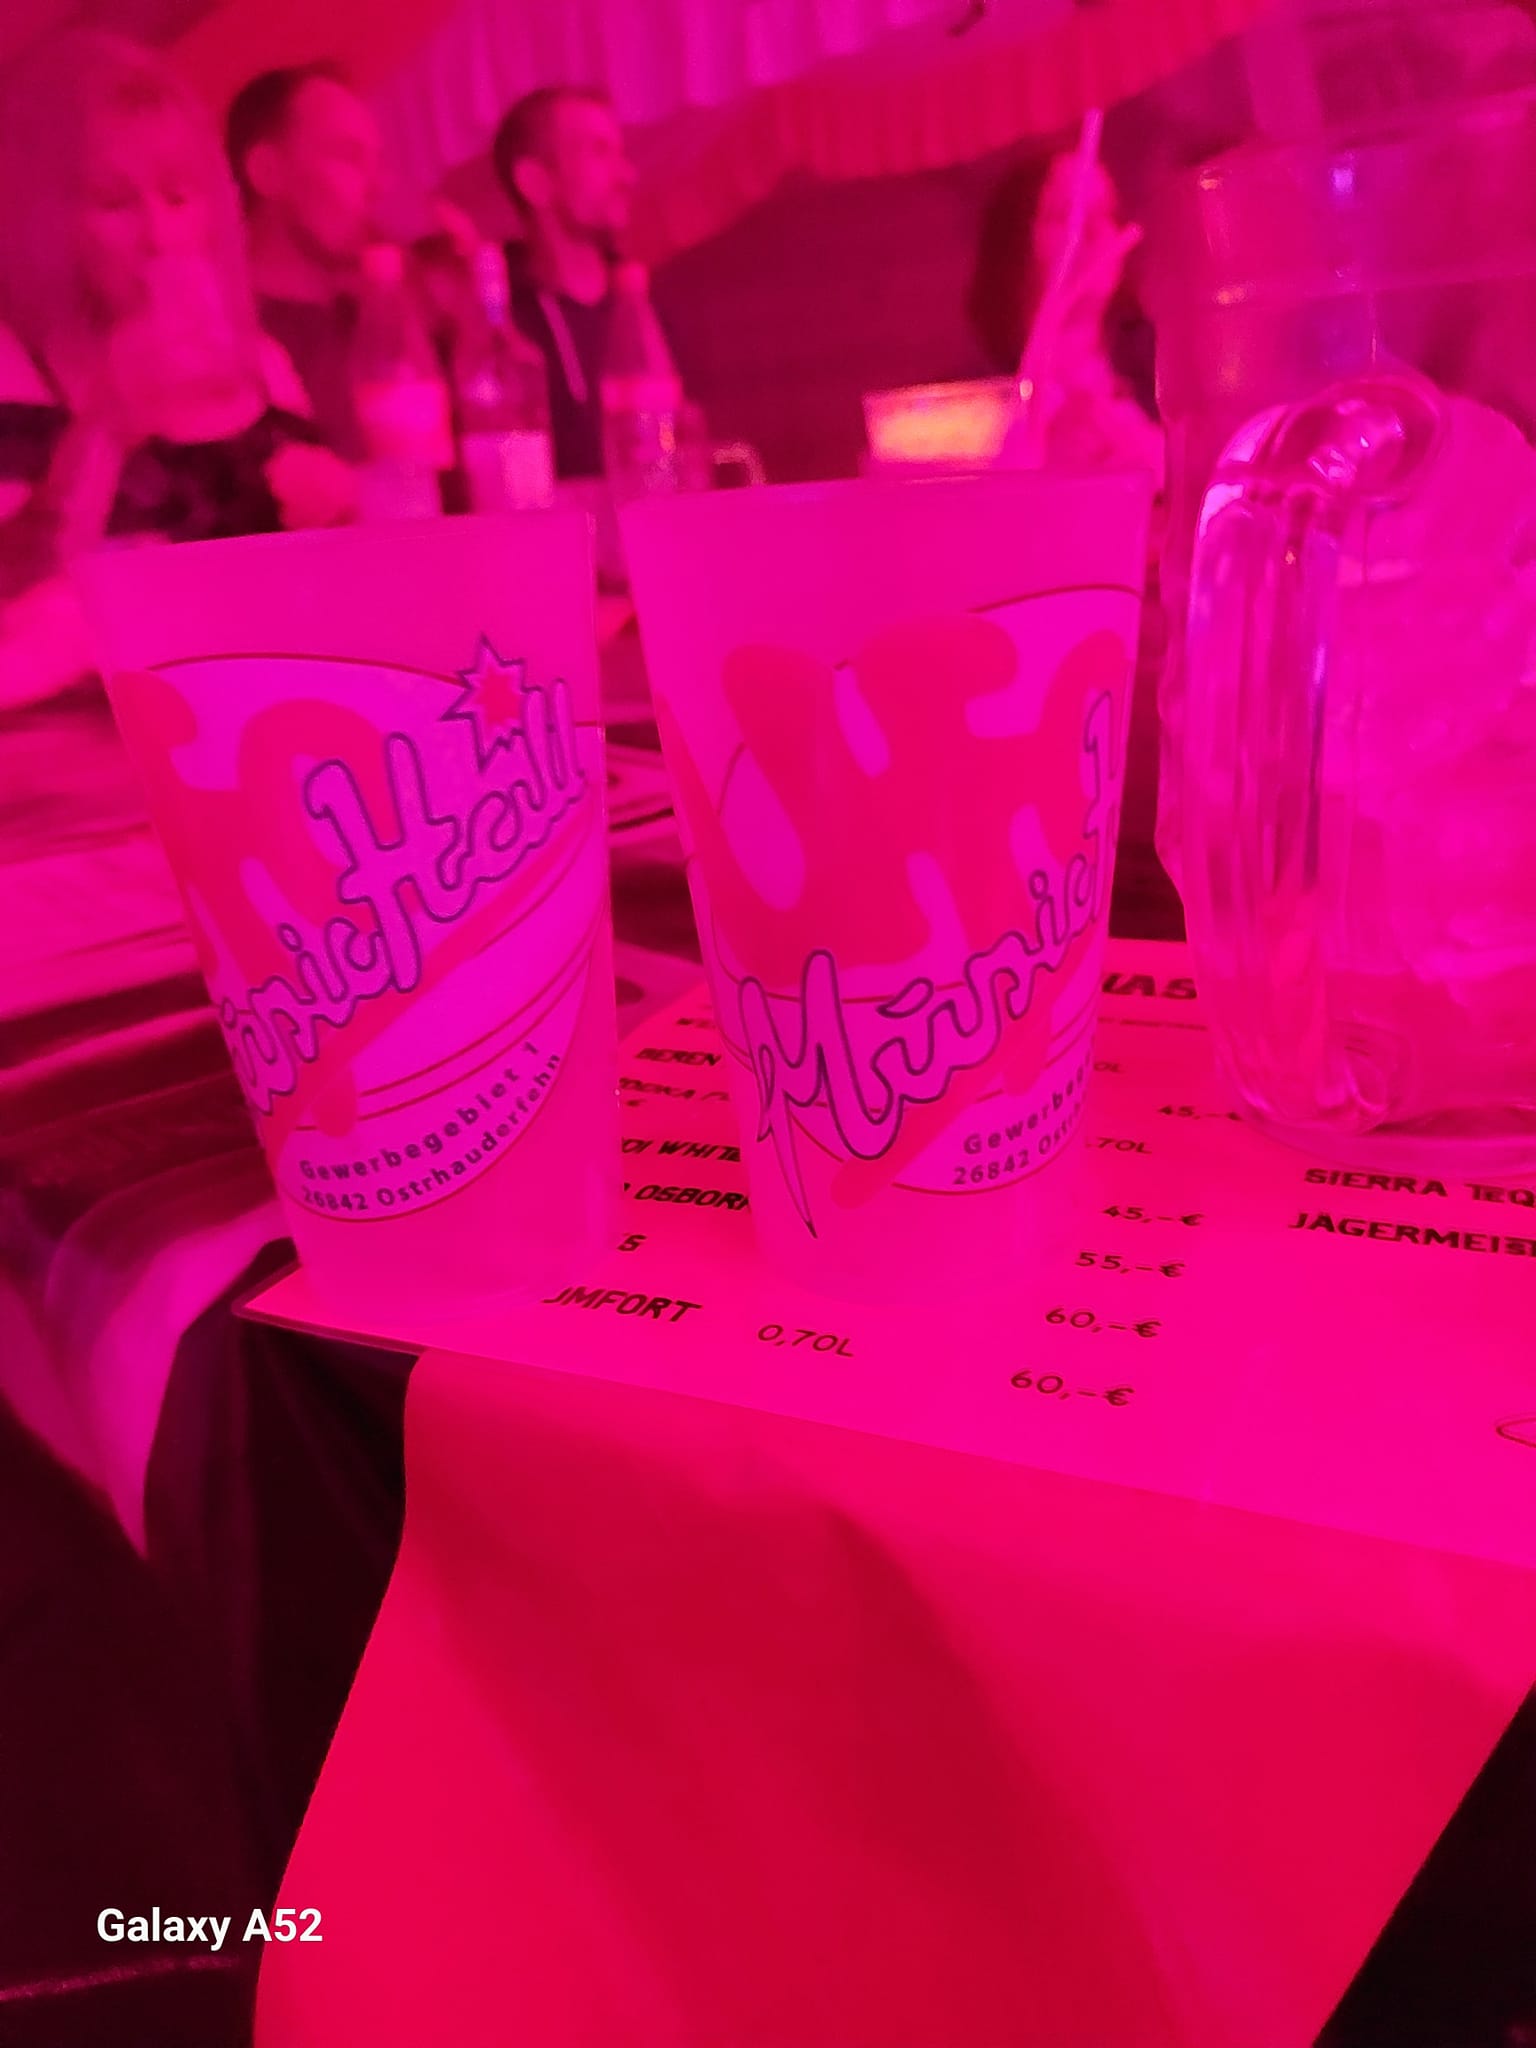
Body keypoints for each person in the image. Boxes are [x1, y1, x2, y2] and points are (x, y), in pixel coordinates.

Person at [0, 31, 355, 711]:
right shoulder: (16, 366)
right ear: (54, 221)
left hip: (259, 714)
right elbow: (13, 606)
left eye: (177, 197)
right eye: (114, 203)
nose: (159, 237)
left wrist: (336, 512)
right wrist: (103, 432)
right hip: (78, 742)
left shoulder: (262, 363)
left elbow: (319, 592)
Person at [969, 149, 1164, 483]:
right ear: (1017, 242)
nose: (1093, 232)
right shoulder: (977, 401)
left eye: (1105, 213)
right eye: (1066, 215)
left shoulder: (1159, 369)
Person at [491, 86, 652, 480]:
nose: (627, 175)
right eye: (599, 152)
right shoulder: (501, 328)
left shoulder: (646, 311)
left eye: (620, 154)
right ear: (535, 182)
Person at [226, 62, 384, 461]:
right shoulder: (223, 346)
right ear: (267, 172)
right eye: (348, 158)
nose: (377, 186)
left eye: (375, 162)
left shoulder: (375, 325)